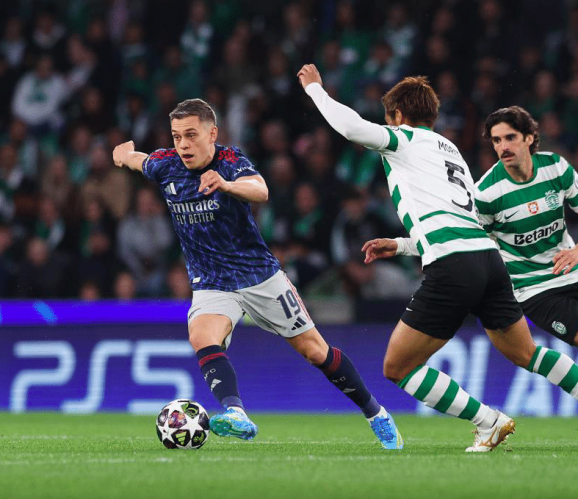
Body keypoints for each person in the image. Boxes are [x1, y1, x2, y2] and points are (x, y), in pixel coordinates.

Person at [298, 65, 578, 453]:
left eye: (388, 117)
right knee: (526, 352)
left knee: (398, 367)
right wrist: (403, 245)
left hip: (453, 264)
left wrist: (316, 90)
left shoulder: (402, 138)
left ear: (397, 115)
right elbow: (457, 219)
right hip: (488, 260)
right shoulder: (450, 150)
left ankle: (488, 421)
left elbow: (351, 128)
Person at [368, 105, 578, 447]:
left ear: (529, 138)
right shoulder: (486, 193)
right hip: (534, 289)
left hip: (575, 274)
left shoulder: (556, 167)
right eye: (496, 141)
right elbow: (459, 235)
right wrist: (402, 245)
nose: (503, 147)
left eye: (510, 138)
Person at [112, 98, 402, 450]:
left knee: (316, 352)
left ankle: (376, 413)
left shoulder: (230, 161)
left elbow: (260, 190)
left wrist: (225, 184)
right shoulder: (166, 165)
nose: (183, 145)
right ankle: (236, 412)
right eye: (176, 137)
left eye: (191, 135)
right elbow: (139, 160)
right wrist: (123, 154)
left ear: (212, 134)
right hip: (212, 282)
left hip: (259, 277)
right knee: (202, 337)